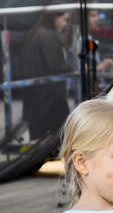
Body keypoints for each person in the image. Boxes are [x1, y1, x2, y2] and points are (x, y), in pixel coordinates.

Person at [18, 10, 73, 140]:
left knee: (37, 146)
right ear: (54, 17)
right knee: (61, 142)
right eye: (64, 19)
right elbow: (54, 66)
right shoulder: (49, 36)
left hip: (32, 101)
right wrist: (73, 67)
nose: (65, 24)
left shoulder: (31, 34)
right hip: (50, 101)